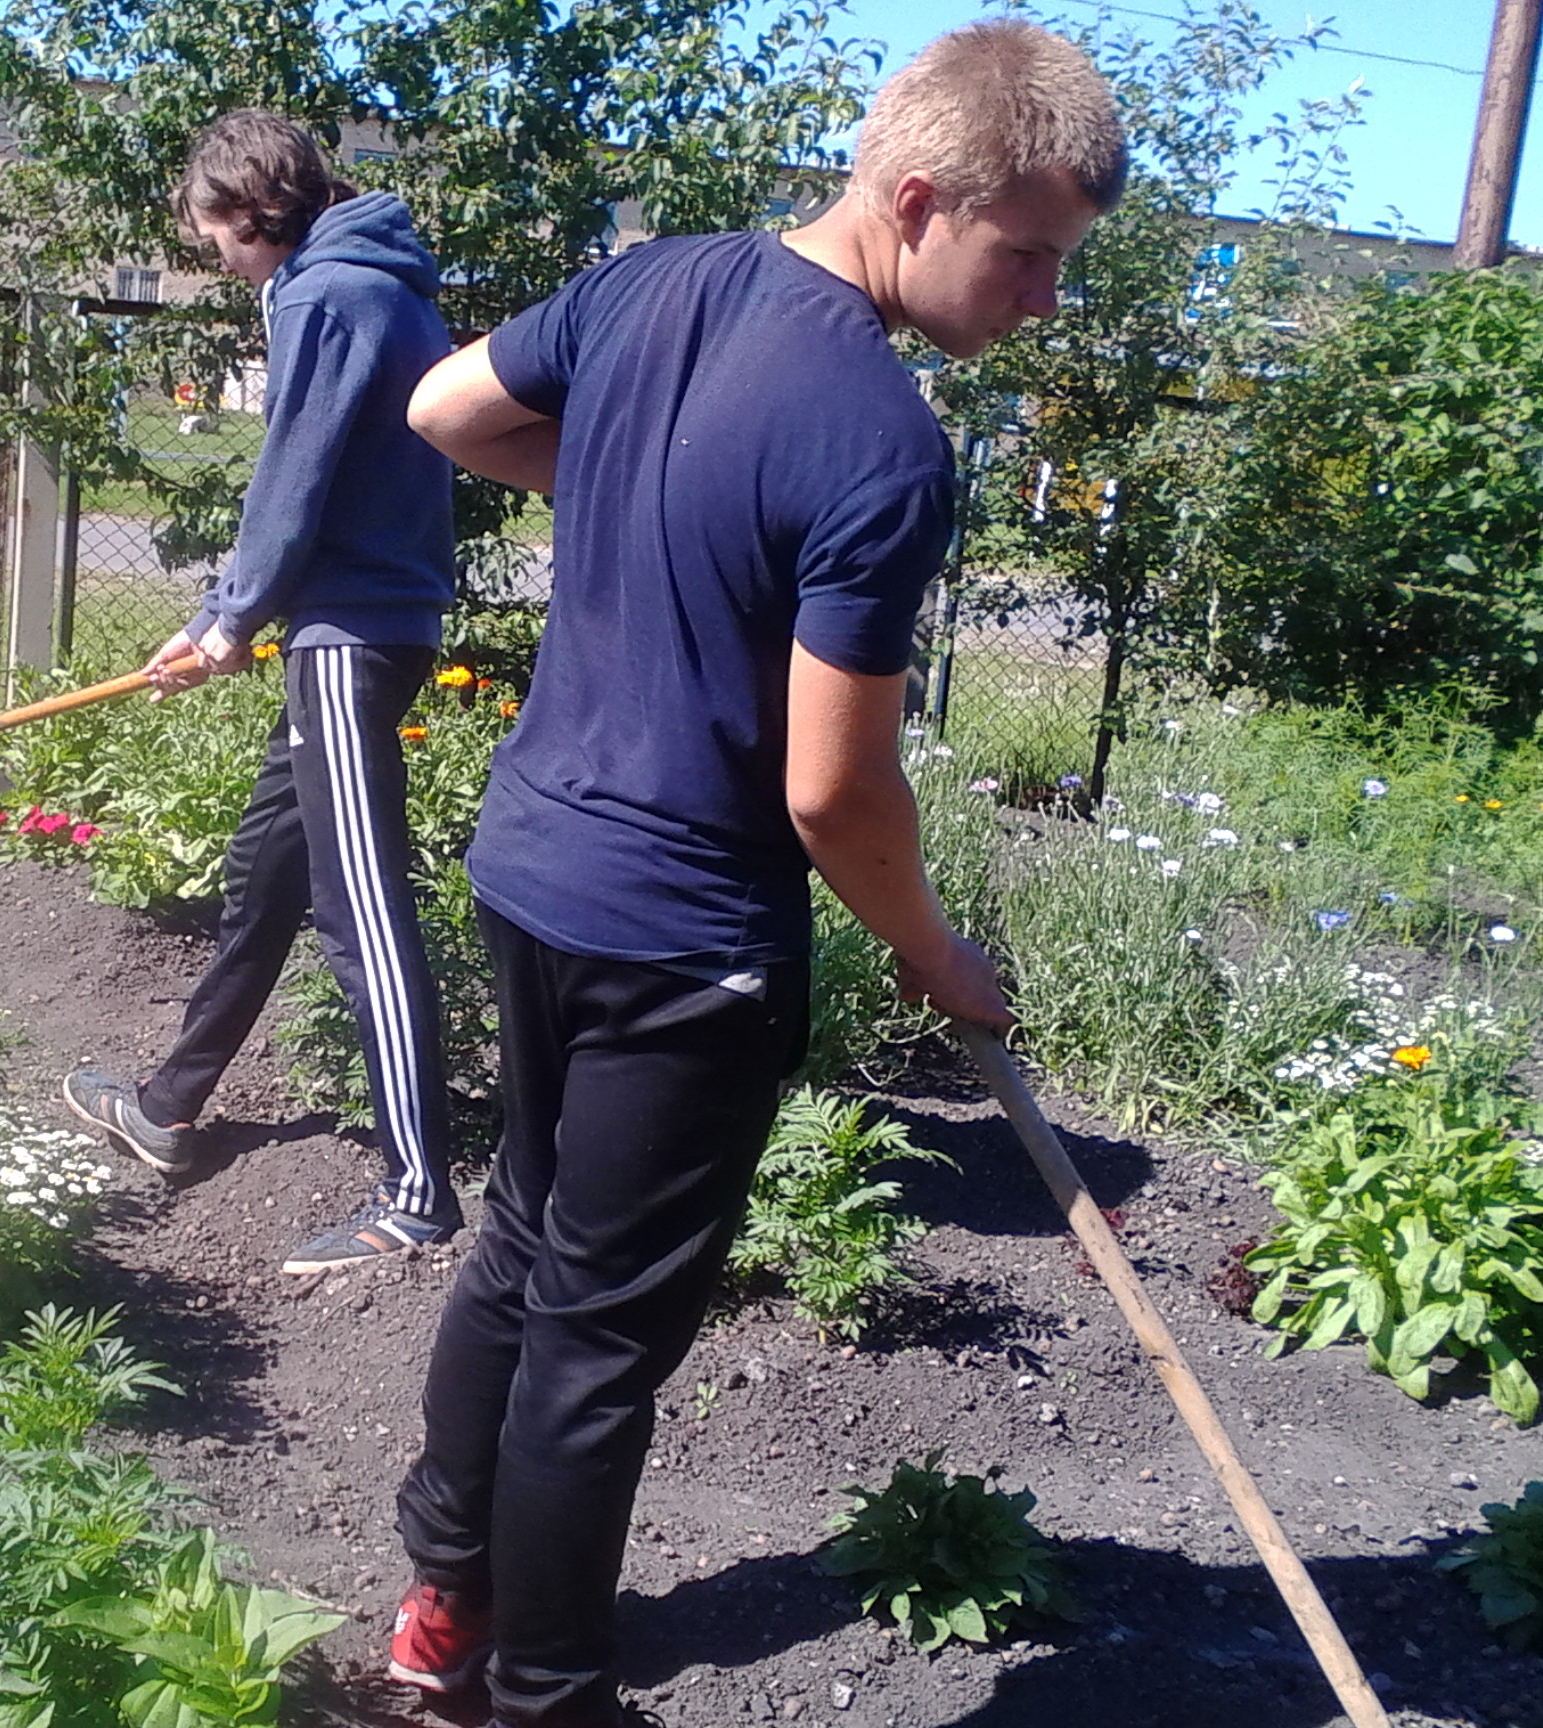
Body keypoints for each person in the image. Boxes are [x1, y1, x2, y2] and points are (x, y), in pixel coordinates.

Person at [380, 20, 1124, 1724]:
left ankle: (447, 1603)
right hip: (683, 942)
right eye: (1026, 255)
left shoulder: (655, 280)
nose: (1043, 300)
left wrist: (631, 491)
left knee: (522, 1244)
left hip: (533, 864)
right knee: (596, 1338)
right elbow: (833, 794)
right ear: (919, 200)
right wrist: (935, 951)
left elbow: (444, 408)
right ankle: (548, 1691)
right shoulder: (880, 443)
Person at [63, 111, 465, 1276]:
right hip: (355, 623)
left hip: (347, 633)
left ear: (251, 209)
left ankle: (417, 1195)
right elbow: (317, 483)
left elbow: (293, 477)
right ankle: (169, 1105)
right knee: (266, 872)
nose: (220, 260)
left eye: (216, 239)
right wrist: (218, 618)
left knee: (362, 915)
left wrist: (233, 618)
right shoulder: (373, 277)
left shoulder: (325, 292)